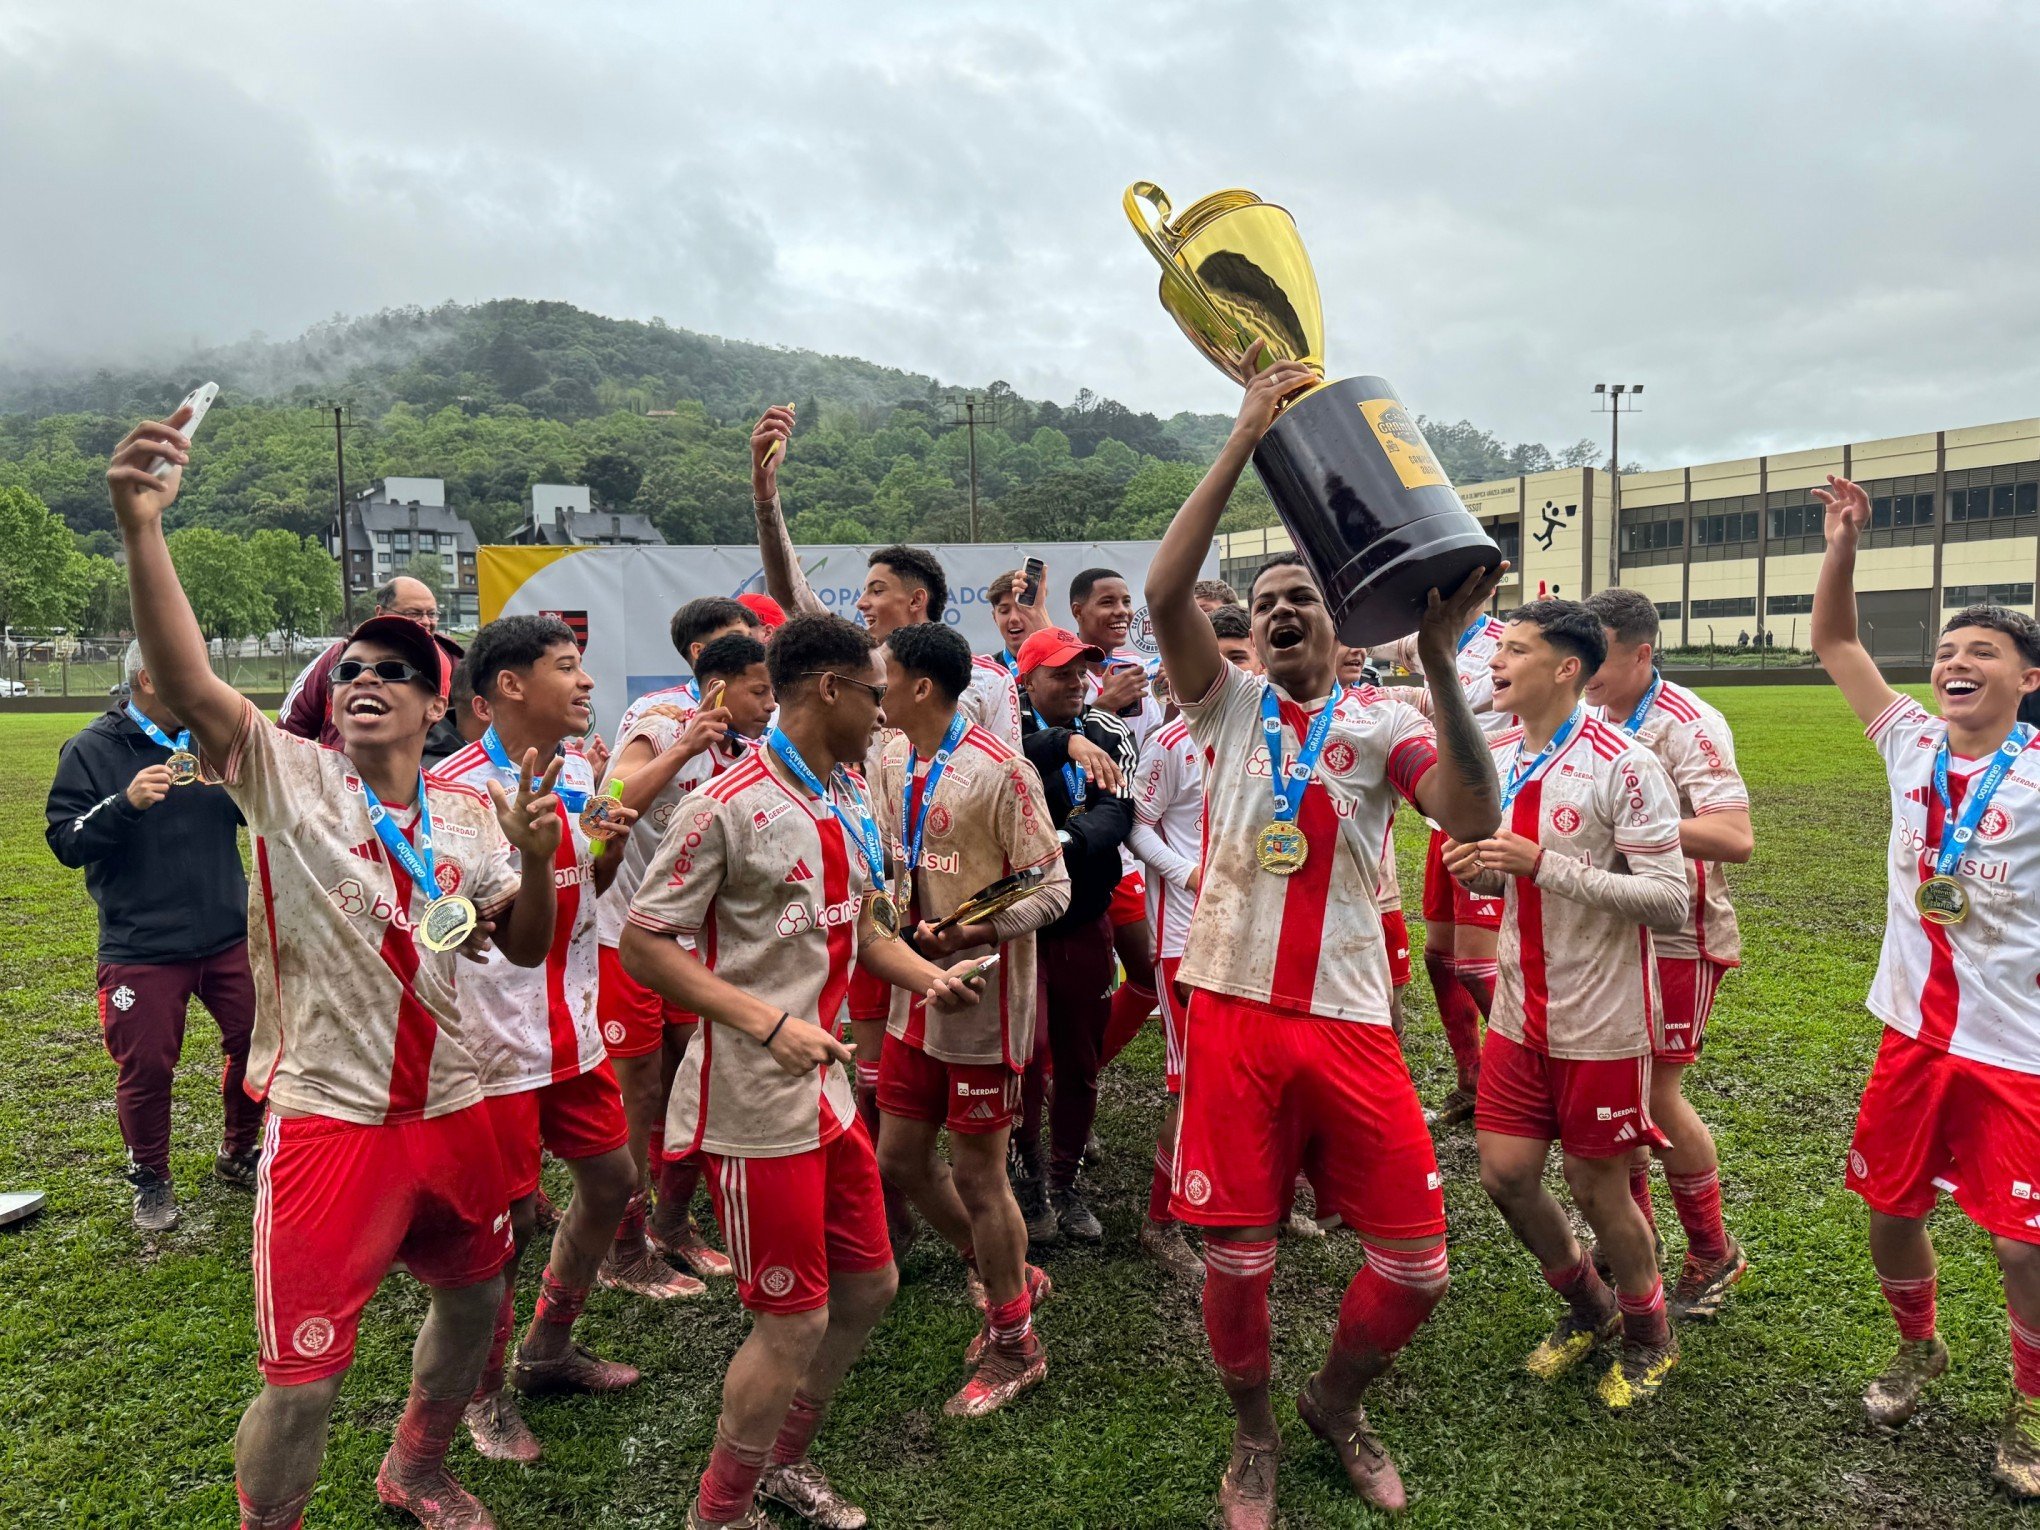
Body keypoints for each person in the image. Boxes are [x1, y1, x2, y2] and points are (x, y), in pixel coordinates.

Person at [106, 406, 566, 1530]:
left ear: (436, 704)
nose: (370, 676)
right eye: (354, 665)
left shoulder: (470, 811)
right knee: (302, 1379)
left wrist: (541, 860)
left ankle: (414, 1465)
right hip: (332, 1116)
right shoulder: (288, 776)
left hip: (452, 1100)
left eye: (398, 670)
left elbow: (518, 946)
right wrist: (141, 530)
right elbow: (190, 673)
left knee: (472, 1299)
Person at [1145, 345, 1503, 1525]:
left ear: (1343, 624)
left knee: (1417, 1265)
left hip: (1349, 1015)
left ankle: (1336, 1404)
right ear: (1243, 639)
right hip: (1235, 1011)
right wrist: (1245, 435)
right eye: (1264, 607)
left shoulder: (1384, 718)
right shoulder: (1228, 706)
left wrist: (1444, 670)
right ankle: (1253, 1438)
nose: (1282, 613)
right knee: (1237, 1259)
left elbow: (1472, 813)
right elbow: (1163, 597)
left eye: (1303, 598)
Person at [619, 612, 988, 1530]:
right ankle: (721, 1509)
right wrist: (766, 1022)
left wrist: (928, 976)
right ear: (831, 690)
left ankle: (783, 1462)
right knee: (792, 1320)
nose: (886, 714)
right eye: (874, 695)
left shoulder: (845, 796)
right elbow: (642, 942)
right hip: (751, 1104)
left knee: (869, 1287)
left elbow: (865, 928)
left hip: (824, 1096)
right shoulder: (725, 804)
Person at [1810, 474, 2040, 1497]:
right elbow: (1837, 644)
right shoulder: (1907, 743)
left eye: (1980, 652)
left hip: (2016, 1048)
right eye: (1947, 652)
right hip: (1912, 1032)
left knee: (2020, 1246)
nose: (1954, 662)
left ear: (2027, 679)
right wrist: (1844, 544)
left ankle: (2031, 1407)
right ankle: (1922, 1347)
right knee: (1889, 1211)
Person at [429, 614, 669, 1465]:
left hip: (570, 1029)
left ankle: (547, 1349)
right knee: (502, 1233)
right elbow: (433, 927)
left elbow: (585, 882)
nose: (587, 682)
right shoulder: (452, 796)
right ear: (507, 688)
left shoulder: (571, 775)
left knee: (610, 1183)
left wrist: (607, 838)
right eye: (567, 667)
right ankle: (482, 1397)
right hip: (489, 1050)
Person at [1440, 600, 1688, 1410]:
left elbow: (1667, 898)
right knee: (1506, 1177)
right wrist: (1481, 870)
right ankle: (1590, 1306)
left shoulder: (1626, 764)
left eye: (1515, 651)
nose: (1498, 664)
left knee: (1596, 1189)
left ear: (1567, 669)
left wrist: (1542, 864)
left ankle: (1652, 1334)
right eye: (1498, 649)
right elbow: (1504, 876)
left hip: (1603, 1021)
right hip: (1518, 1012)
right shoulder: (1501, 756)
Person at [866, 622, 1071, 1415]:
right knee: (901, 1159)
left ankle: (1017, 1344)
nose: (878, 693)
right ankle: (1002, 1274)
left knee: (983, 1175)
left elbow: (1052, 891)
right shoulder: (887, 757)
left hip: (982, 999)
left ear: (922, 686)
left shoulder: (1000, 769)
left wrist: (976, 930)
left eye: (887, 678)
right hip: (910, 990)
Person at [44, 638, 262, 1231]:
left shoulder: (211, 740)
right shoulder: (92, 748)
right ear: (148, 678)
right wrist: (125, 803)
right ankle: (151, 1178)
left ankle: (240, 1151)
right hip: (140, 946)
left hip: (227, 935)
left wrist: (243, 788)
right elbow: (65, 839)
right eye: (184, 671)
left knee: (256, 1043)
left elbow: (264, 811)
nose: (200, 682)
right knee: (147, 1069)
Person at [1583, 588, 1754, 1317]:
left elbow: (1734, 836)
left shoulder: (1687, 722)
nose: (1582, 667)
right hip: (1608, 928)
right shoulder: (1590, 712)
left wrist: (1637, 818)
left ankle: (1713, 1251)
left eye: (1599, 655)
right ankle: (1637, 1237)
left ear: (1642, 652)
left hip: (1678, 934)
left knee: (1655, 1097)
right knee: (1616, 1094)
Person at [596, 633, 774, 1287]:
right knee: (638, 1095)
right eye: (759, 690)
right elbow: (602, 811)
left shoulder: (753, 745)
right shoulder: (659, 723)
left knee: (699, 1083)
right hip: (626, 938)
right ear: (717, 689)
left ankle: (669, 1222)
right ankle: (621, 1250)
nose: (769, 702)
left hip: (694, 944)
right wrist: (680, 750)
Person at [1123, 605, 1261, 1277]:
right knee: (1191, 1085)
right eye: (1220, 654)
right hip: (1187, 940)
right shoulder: (1171, 742)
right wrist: (1188, 874)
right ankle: (1162, 1221)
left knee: (1248, 1075)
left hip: (1258, 935)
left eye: (1241, 655)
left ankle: (1244, 1195)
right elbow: (1138, 825)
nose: (1230, 668)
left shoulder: (1275, 738)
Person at [1015, 627, 1140, 1249]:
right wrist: (1063, 741)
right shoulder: (1006, 727)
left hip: (1086, 918)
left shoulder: (1105, 732)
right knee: (1027, 1061)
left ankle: (1065, 1182)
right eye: (1060, 672)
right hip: (1021, 931)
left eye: (1081, 672)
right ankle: (1028, 1176)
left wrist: (1067, 842)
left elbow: (1120, 811)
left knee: (1080, 1064)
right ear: (1028, 679)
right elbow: (1018, 752)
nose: (1076, 682)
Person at [1378, 603, 1510, 1122]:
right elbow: (1358, 643)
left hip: (1492, 815)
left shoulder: (1507, 641)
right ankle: (1472, 1081)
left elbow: (1470, 701)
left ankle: (1538, 1078)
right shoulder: (1422, 636)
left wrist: (1413, 692)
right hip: (1445, 820)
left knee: (1477, 966)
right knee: (1440, 958)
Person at [1068, 566, 1164, 1078]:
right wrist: (1102, 705)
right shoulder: (1060, 674)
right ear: (1078, 610)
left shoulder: (1137, 671)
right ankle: (1059, 1090)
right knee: (1087, 980)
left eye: (1126, 601)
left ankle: (1081, 1076)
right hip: (1082, 851)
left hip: (1133, 846)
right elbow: (1045, 744)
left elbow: (1152, 751)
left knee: (1148, 972)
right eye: (1107, 602)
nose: (1122, 611)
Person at [279, 575, 439, 748]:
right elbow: (287, 734)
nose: (425, 622)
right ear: (380, 613)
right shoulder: (337, 656)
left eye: (431, 614)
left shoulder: (452, 662)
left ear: (438, 705)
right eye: (414, 613)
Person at [613, 596, 767, 742]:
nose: (748, 646)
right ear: (699, 651)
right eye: (735, 637)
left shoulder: (773, 711)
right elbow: (616, 767)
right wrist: (646, 734)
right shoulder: (651, 709)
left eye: (749, 637)